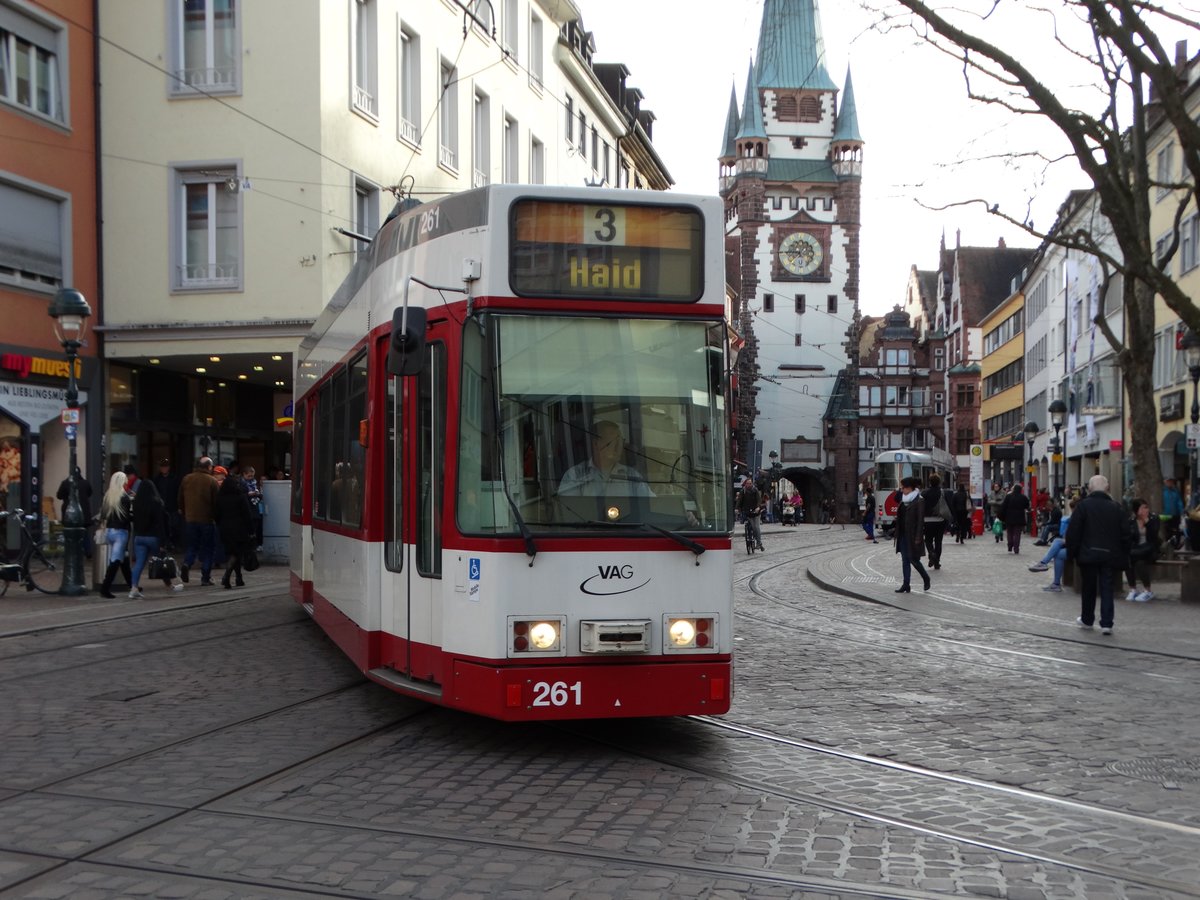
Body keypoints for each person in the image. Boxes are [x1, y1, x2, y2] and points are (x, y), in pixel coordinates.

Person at [1065, 474, 1130, 635]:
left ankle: (1087, 619)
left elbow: (1074, 532)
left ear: (1090, 488)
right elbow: (1126, 533)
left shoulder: (1083, 506)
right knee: (1107, 587)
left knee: (1089, 587)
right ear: (1107, 488)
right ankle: (1107, 623)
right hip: (1109, 555)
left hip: (1088, 553)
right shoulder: (1116, 507)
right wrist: (1123, 554)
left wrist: (1072, 554)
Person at [558, 421, 653, 497]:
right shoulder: (575, 474)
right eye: (614, 442)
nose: (619, 447)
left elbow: (649, 506)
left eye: (621, 441)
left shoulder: (632, 475)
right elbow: (568, 511)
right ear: (596, 444)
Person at [128, 479, 184, 598]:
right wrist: (163, 542)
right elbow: (160, 524)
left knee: (139, 563)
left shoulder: (136, 503)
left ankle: (133, 588)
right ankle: (169, 586)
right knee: (162, 561)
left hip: (139, 537)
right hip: (153, 537)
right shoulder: (157, 503)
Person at [179, 457, 219, 586]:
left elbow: (180, 498)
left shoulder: (187, 479)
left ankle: (187, 563)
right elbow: (216, 502)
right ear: (208, 467)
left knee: (192, 546)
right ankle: (205, 577)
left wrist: (185, 513)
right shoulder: (212, 481)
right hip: (207, 519)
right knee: (208, 548)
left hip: (190, 519)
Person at [1028, 497, 1078, 591]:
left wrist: (1068, 540)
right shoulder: (1075, 518)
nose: (1072, 511)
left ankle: (1044, 563)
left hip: (1081, 548)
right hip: (1076, 546)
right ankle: (1055, 583)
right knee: (1058, 551)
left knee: (1057, 542)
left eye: (1073, 509)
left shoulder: (1080, 518)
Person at [98, 471, 134, 599]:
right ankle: (105, 588)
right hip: (121, 532)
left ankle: (132, 585)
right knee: (115, 561)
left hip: (110, 531)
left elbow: (103, 515)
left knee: (123, 559)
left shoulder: (108, 496)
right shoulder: (124, 498)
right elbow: (126, 517)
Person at [215, 473, 254, 589]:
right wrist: (251, 530)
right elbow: (247, 515)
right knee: (237, 553)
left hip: (224, 528)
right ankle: (226, 576)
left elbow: (216, 514)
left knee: (232, 553)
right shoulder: (240, 497)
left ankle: (239, 578)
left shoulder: (220, 497)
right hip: (239, 528)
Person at [894, 476, 930, 593]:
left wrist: (918, 537)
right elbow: (897, 500)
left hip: (913, 535)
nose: (902, 489)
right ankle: (906, 584)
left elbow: (920, 520)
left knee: (913, 560)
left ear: (910, 488)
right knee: (905, 560)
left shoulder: (919, 500)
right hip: (903, 534)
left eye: (904, 487)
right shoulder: (903, 499)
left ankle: (926, 577)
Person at [1124, 498, 1160, 602]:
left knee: (1139, 562)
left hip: (1150, 550)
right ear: (1136, 510)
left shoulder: (1154, 519)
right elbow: (1129, 538)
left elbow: (1154, 536)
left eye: (1147, 507)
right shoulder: (1131, 521)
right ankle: (1133, 589)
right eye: (1143, 508)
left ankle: (1148, 590)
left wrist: (1146, 521)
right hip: (1137, 550)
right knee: (1129, 560)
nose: (1146, 510)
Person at [56, 467, 94, 559]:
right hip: (83, 514)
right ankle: (88, 551)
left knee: (70, 534)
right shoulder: (85, 483)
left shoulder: (65, 483)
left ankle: (70, 552)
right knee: (84, 533)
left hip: (69, 514)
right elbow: (90, 493)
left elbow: (59, 496)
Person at [152, 459, 181, 550]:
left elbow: (178, 492)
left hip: (173, 506)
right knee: (163, 527)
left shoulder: (175, 479)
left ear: (169, 467)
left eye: (166, 467)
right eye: (162, 467)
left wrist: (179, 505)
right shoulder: (156, 479)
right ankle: (165, 544)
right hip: (161, 508)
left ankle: (174, 544)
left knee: (174, 526)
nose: (164, 469)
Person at [921, 473, 948, 569]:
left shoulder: (924, 493)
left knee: (928, 540)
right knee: (938, 541)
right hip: (940, 520)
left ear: (930, 482)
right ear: (939, 482)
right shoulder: (942, 492)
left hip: (927, 520)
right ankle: (937, 562)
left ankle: (931, 553)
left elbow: (921, 506)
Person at [998, 483, 1031, 554]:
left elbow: (1004, 506)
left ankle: (1010, 545)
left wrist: (1001, 516)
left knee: (1009, 532)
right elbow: (1027, 506)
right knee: (1017, 534)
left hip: (1009, 517)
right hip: (1019, 518)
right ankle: (1016, 548)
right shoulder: (1023, 497)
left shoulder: (1008, 496)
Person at [241, 466, 265, 549]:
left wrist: (258, 494)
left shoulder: (255, 484)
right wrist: (249, 494)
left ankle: (254, 545)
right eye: (249, 476)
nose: (251, 478)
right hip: (247, 510)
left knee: (255, 529)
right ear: (244, 474)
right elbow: (240, 496)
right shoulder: (241, 484)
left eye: (252, 476)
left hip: (255, 509)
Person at [736, 476, 764, 550]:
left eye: (750, 483)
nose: (749, 484)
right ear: (745, 484)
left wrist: (758, 507)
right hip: (747, 511)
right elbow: (739, 500)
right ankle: (749, 536)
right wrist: (737, 508)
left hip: (756, 511)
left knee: (756, 527)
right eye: (748, 483)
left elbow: (759, 500)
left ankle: (759, 543)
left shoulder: (755, 490)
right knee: (751, 526)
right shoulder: (743, 491)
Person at [1161, 477, 1185, 549]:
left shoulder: (1175, 491)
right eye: (1168, 481)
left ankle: (1176, 545)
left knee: (1176, 530)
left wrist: (1181, 511)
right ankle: (1167, 545)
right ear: (1165, 482)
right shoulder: (1162, 491)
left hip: (1175, 515)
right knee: (1167, 530)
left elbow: (1179, 502)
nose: (1170, 483)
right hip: (1165, 515)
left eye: (1171, 481)